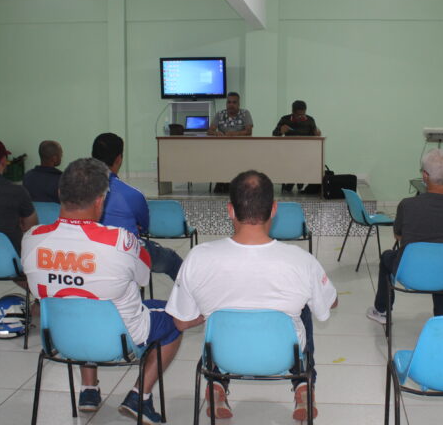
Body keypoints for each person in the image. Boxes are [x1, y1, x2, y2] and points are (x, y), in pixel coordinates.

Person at [166, 170, 337, 421]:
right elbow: (329, 305)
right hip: (282, 356)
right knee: (304, 309)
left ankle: (216, 382)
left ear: (230, 210)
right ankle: (303, 384)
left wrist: (208, 313)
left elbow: (180, 322)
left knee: (214, 317)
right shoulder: (301, 260)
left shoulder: (199, 257)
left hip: (226, 354)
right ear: (274, 209)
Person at [22, 158, 181, 423]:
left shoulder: (32, 238)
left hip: (61, 340)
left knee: (78, 299)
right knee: (175, 317)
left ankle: (88, 390)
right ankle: (139, 396)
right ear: (101, 200)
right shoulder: (121, 241)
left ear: (60, 193)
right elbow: (142, 278)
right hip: (121, 340)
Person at [366, 149, 443, 322]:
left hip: (409, 272)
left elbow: (398, 235)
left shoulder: (407, 205)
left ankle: (382, 310)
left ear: (424, 175)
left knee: (387, 257)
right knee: (442, 258)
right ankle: (442, 315)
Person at [91, 133, 183, 280]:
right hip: (126, 254)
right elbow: (144, 227)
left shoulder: (77, 187)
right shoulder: (131, 194)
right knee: (172, 260)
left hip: (90, 253)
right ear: (118, 159)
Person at [272, 100, 322, 193]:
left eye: (302, 115)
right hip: (289, 150)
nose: (300, 117)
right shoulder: (285, 119)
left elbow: (315, 135)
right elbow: (275, 134)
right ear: (293, 111)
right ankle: (297, 182)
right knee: (292, 159)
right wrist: (281, 131)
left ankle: (292, 183)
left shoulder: (310, 120)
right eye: (298, 115)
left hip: (305, 150)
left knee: (304, 159)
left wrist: (317, 134)